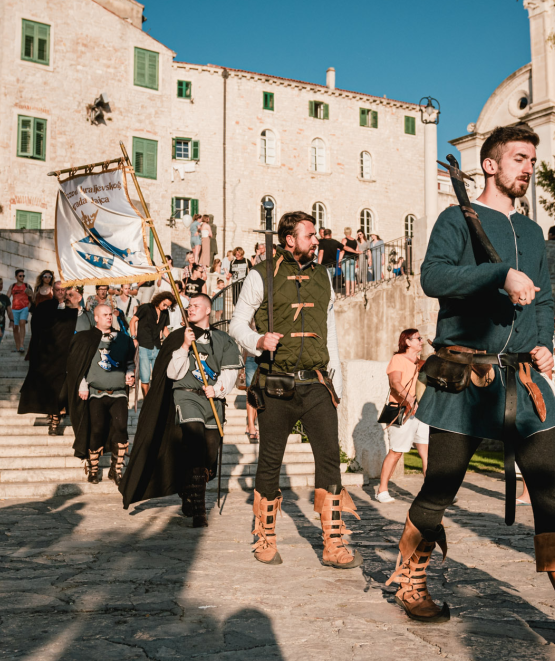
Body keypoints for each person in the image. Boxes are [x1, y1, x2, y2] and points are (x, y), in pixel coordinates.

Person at [389, 125, 555, 656]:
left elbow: (544, 298)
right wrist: (499, 275)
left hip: (524, 380)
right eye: (518, 158)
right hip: (466, 377)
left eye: (532, 159)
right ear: (489, 165)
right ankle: (410, 578)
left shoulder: (533, 233)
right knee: (440, 486)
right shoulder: (455, 219)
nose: (528, 168)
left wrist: (543, 341)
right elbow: (433, 278)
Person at [230, 211, 357, 569]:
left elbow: (329, 328)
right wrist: (257, 340)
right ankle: (265, 536)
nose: (316, 240)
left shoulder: (323, 276)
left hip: (316, 383)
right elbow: (237, 323)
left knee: (329, 460)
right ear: (290, 239)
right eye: (310, 235)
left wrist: (336, 379)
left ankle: (333, 542)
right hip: (276, 384)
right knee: (270, 461)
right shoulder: (261, 274)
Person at [121, 293, 242, 527]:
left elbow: (230, 372)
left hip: (213, 400)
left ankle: (188, 489)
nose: (190, 309)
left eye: (196, 305)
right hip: (186, 396)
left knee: (209, 454)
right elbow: (172, 373)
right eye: (189, 306)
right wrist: (185, 346)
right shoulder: (178, 336)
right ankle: (199, 511)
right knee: (195, 444)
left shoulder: (223, 339)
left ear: (208, 310)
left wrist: (218, 389)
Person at [66, 303, 137, 484]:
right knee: (96, 429)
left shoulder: (123, 339)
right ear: (96, 318)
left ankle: (116, 469)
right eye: (104, 314)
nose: (109, 317)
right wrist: (82, 384)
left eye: (110, 314)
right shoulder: (86, 338)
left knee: (121, 428)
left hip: (118, 392)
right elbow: (77, 366)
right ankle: (93, 469)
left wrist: (130, 374)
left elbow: (129, 361)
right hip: (96, 393)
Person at [19, 281, 81, 435]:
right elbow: (36, 328)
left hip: (66, 355)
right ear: (53, 290)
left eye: (63, 290)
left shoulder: (72, 308)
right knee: (51, 388)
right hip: (48, 355)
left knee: (61, 388)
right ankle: (54, 416)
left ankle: (56, 416)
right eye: (57, 290)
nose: (60, 292)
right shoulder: (44, 307)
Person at [376, 329, 429, 503]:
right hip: (403, 412)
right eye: (418, 338)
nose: (421, 341)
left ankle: (431, 493)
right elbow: (395, 383)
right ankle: (382, 490)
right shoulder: (398, 359)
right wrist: (411, 400)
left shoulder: (422, 363)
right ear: (407, 342)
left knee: (427, 453)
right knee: (396, 452)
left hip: (422, 413)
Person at [130, 291, 175, 397]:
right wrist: (134, 338)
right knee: (145, 378)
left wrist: (172, 341)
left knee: (158, 376)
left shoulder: (165, 313)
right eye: (164, 304)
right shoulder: (146, 308)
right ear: (159, 300)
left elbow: (164, 329)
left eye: (168, 306)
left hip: (157, 346)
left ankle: (155, 400)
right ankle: (146, 401)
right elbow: (132, 321)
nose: (165, 307)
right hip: (144, 346)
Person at [9, 269, 33, 353]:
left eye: (23, 276)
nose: (22, 277)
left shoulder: (27, 285)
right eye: (20, 276)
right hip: (14, 309)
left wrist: (28, 306)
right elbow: (7, 297)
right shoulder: (12, 286)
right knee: (15, 327)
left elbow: (32, 297)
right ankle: (17, 346)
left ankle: (22, 345)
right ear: (16, 277)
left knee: (22, 323)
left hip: (24, 308)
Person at [339, 228, 359, 296]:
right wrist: (357, 261)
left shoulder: (344, 240)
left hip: (346, 259)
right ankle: (353, 292)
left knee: (347, 276)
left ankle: (347, 293)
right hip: (353, 259)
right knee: (352, 276)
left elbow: (342, 250)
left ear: (344, 232)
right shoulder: (355, 241)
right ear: (351, 232)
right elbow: (357, 251)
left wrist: (339, 260)